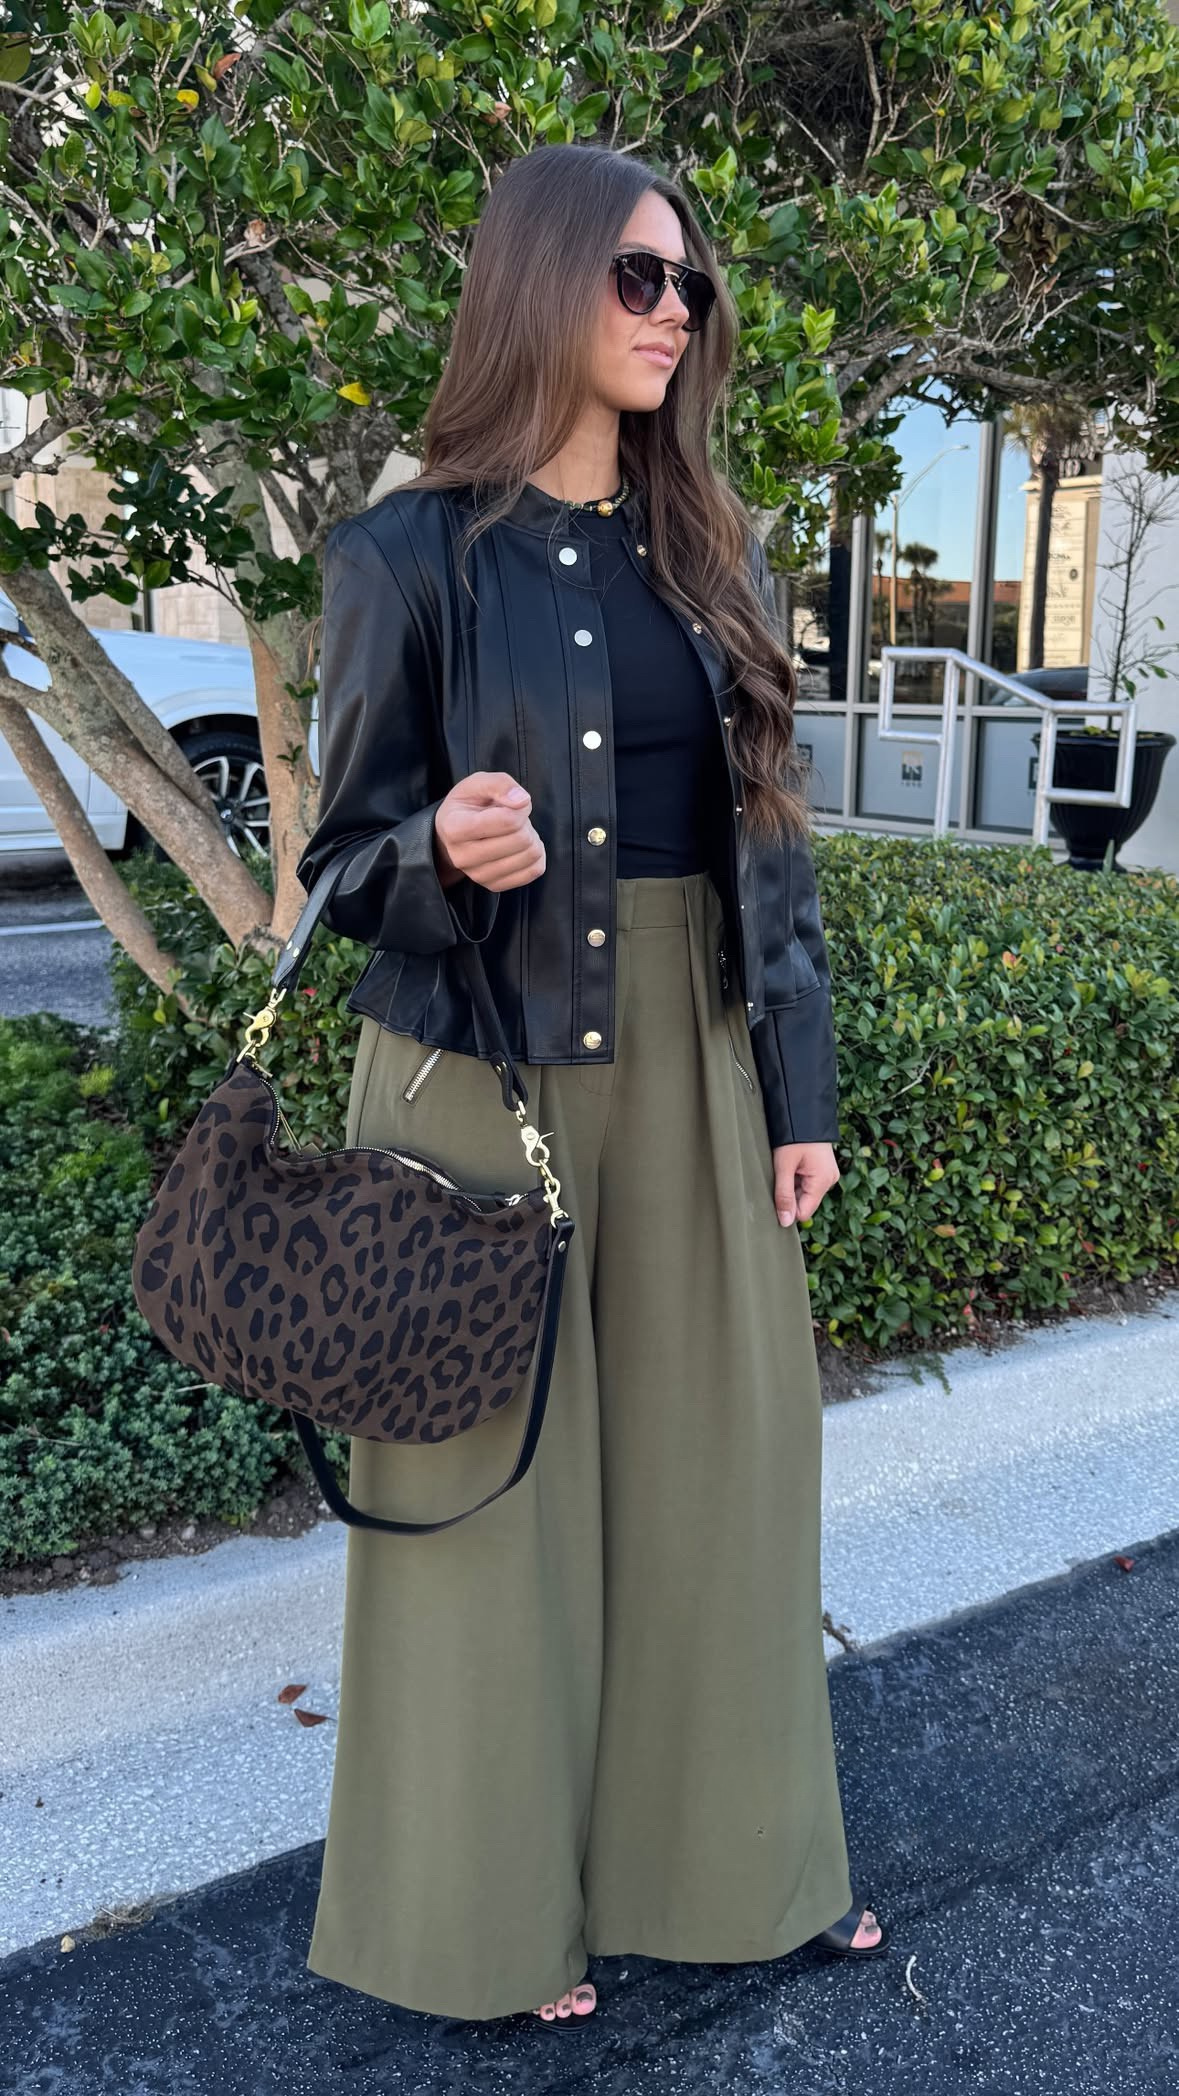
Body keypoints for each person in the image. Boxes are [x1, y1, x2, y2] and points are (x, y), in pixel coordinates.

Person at [294, 139, 888, 2031]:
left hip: (698, 1077)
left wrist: (795, 1091)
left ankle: (729, 1872)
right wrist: (430, 850)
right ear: (538, 286)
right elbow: (335, 861)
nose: (671, 313)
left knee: (728, 1478)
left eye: (687, 285)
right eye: (637, 277)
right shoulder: (403, 559)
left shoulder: (716, 548)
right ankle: (485, 1919)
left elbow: (767, 851)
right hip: (475, 1078)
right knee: (490, 1513)